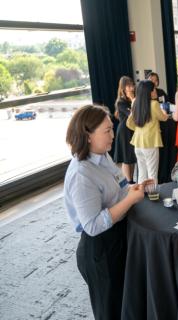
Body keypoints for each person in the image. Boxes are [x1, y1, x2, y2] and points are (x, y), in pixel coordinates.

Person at [64, 105, 146, 319]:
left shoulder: (102, 156)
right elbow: (92, 226)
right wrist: (129, 199)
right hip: (100, 249)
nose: (113, 134)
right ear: (88, 135)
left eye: (112, 128)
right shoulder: (81, 174)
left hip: (117, 238)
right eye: (107, 130)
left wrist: (133, 188)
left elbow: (118, 188)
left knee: (125, 303)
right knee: (110, 311)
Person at [127, 80, 168, 184]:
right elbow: (164, 118)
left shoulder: (135, 102)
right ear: (148, 91)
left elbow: (129, 123)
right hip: (150, 142)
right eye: (153, 89)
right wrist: (164, 111)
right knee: (152, 173)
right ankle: (153, 196)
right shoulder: (154, 104)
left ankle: (141, 196)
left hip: (138, 142)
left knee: (142, 172)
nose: (155, 91)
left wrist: (139, 130)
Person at [113, 76, 136, 184]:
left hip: (132, 130)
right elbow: (131, 114)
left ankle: (131, 180)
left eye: (132, 85)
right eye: (129, 86)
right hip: (124, 131)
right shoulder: (121, 102)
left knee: (132, 158)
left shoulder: (133, 99)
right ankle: (128, 182)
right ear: (123, 87)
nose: (132, 88)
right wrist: (132, 99)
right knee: (127, 159)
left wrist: (133, 99)